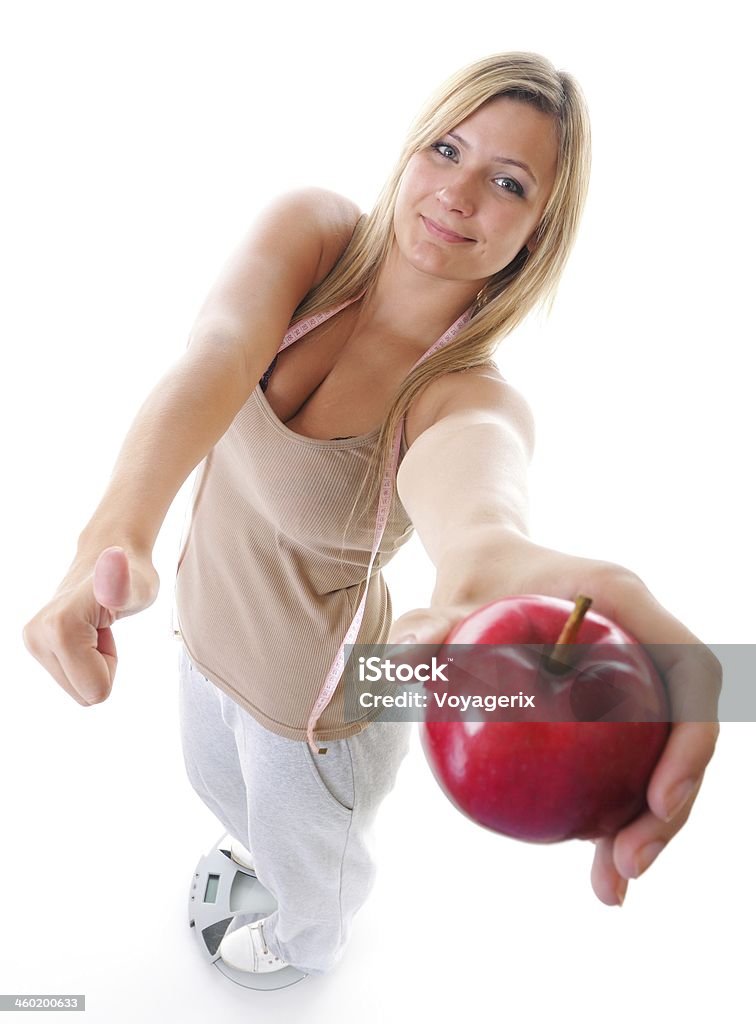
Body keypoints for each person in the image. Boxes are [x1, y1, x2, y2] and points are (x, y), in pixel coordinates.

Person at [22, 51, 721, 978]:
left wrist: (486, 569)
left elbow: (477, 514)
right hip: (206, 642)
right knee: (221, 790)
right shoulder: (314, 237)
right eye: (447, 147)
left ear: (538, 232)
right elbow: (217, 357)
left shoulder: (465, 398)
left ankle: (303, 945)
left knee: (317, 867)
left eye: (507, 182)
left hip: (322, 717)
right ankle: (266, 856)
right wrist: (109, 540)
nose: (458, 192)